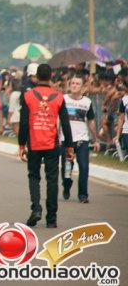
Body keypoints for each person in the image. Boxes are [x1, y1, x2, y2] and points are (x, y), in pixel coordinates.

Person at [18, 63, 73, 229]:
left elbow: (23, 123)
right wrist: (69, 147)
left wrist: (21, 145)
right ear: (50, 77)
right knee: (52, 179)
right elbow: (65, 123)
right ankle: (51, 217)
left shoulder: (27, 96)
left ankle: (36, 208)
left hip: (34, 143)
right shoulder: (58, 96)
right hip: (52, 144)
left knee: (34, 176)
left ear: (36, 76)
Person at [61, 75, 100, 204]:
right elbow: (57, 119)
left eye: (78, 84)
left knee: (84, 167)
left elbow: (91, 121)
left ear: (83, 87)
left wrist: (95, 139)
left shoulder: (87, 102)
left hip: (82, 139)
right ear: (69, 85)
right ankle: (66, 185)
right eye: (72, 83)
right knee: (67, 169)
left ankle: (83, 195)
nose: (75, 85)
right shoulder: (63, 100)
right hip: (66, 140)